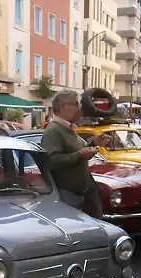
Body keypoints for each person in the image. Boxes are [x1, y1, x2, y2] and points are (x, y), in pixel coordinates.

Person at [41, 90, 104, 219]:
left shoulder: (69, 129)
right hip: (66, 196)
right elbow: (51, 161)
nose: (79, 107)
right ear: (63, 106)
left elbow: (78, 152)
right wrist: (80, 156)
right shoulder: (53, 131)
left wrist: (93, 143)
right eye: (75, 104)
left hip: (79, 195)